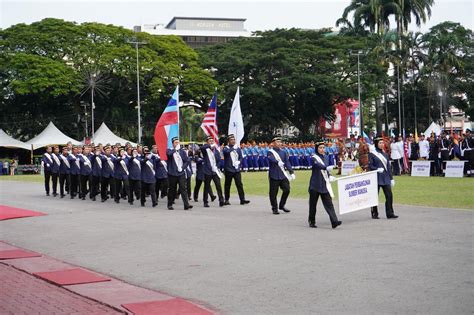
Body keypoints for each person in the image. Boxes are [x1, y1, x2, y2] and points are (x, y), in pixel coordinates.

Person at [308, 141, 342, 229]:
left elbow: (326, 171)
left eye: (323, 148)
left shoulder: (326, 157)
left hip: (324, 184)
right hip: (315, 184)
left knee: (329, 204)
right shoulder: (313, 157)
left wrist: (330, 176)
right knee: (313, 204)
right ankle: (312, 221)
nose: (322, 149)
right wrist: (325, 167)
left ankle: (334, 221)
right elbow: (317, 165)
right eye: (320, 148)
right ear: (316, 148)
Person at [369, 136, 398, 220]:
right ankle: (374, 213)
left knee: (389, 195)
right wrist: (376, 169)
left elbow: (388, 167)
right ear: (376, 144)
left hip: (385, 178)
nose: (382, 144)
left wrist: (391, 178)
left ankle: (390, 213)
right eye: (380, 143)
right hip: (376, 177)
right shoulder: (372, 154)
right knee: (375, 196)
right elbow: (370, 166)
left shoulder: (385, 154)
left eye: (383, 143)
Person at [267, 136, 295, 215]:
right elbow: (271, 159)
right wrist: (277, 162)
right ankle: (274, 208)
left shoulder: (284, 152)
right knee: (273, 193)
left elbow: (287, 162)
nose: (279, 143)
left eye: (280, 142)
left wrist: (291, 172)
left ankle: (282, 205)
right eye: (277, 142)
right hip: (274, 174)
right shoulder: (270, 152)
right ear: (273, 143)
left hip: (282, 175)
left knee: (287, 190)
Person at [223, 134, 250, 205]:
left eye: (234, 140)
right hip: (229, 169)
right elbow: (226, 152)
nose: (233, 141)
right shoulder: (226, 148)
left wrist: (239, 162)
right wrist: (233, 148)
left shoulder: (237, 148)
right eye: (231, 140)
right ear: (228, 141)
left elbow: (241, 157)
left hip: (236, 169)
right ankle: (226, 199)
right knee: (227, 185)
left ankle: (242, 199)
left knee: (239, 184)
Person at [166, 137, 192, 210]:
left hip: (181, 173)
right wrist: (175, 150)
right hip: (172, 173)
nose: (177, 144)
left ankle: (186, 205)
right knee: (172, 190)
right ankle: (170, 204)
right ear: (172, 143)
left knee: (183, 189)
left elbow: (187, 161)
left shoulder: (182, 151)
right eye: (176, 142)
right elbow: (169, 155)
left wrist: (183, 168)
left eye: (178, 142)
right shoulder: (169, 150)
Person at [201, 136, 225, 207]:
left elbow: (218, 160)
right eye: (209, 141)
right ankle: (205, 202)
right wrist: (209, 145)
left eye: (212, 141)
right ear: (207, 142)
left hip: (215, 171)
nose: (211, 142)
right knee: (207, 187)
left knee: (218, 186)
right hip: (207, 171)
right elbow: (202, 148)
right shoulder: (205, 149)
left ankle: (221, 200)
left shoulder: (216, 150)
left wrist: (216, 167)